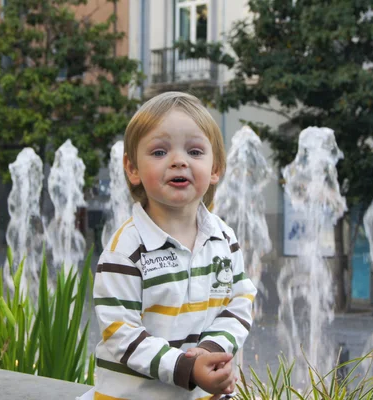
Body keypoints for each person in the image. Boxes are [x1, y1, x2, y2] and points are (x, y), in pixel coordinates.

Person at [80, 92, 257, 400]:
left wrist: (209, 352)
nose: (178, 160)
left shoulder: (224, 239)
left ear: (216, 168)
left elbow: (239, 303)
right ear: (132, 169)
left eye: (195, 151)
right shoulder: (127, 248)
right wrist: (188, 367)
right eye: (160, 152)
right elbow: (121, 333)